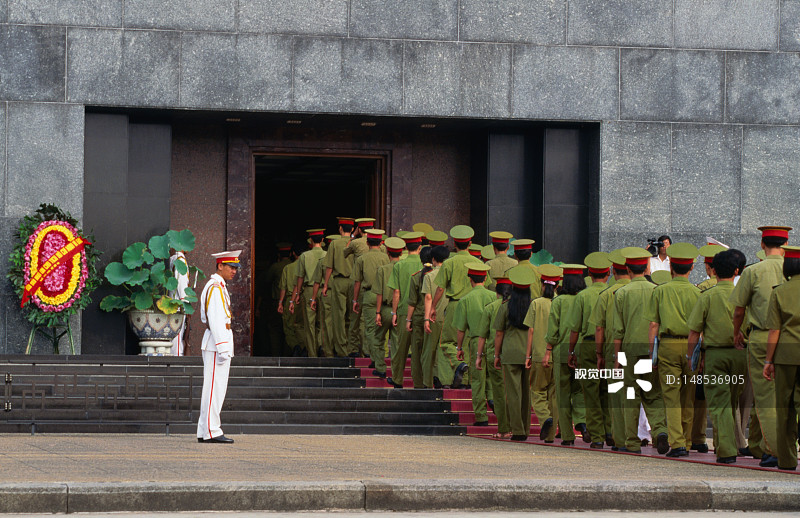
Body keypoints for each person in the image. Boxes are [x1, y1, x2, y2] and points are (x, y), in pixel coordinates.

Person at [730, 225, 791, 468]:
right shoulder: (793, 271)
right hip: (791, 339)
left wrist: (736, 333)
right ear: (786, 244)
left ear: (762, 244)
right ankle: (774, 446)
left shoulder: (754, 271)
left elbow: (738, 310)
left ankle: (775, 451)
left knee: (765, 398)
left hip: (762, 337)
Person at [687, 249, 745, 464]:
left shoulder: (707, 295)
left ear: (713, 270)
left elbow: (694, 332)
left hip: (715, 355)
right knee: (730, 402)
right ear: (737, 270)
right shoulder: (742, 295)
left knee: (719, 404)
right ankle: (724, 445)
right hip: (740, 354)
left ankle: (727, 451)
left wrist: (689, 357)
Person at [645, 242, 701, 458]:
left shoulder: (661, 291)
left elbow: (653, 325)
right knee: (688, 397)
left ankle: (676, 442)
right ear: (692, 268)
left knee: (671, 396)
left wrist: (652, 354)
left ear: (671, 268)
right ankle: (686, 442)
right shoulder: (697, 293)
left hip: (667, 347)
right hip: (691, 347)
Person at [612, 247, 669, 455]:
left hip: (629, 351)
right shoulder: (657, 290)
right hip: (651, 350)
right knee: (654, 394)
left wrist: (617, 358)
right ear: (646, 267)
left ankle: (632, 442)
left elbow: (618, 331)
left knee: (630, 396)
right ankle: (661, 431)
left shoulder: (621, 293)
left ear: (627, 268)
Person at [567, 252, 613, 448]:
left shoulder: (582, 296)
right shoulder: (614, 293)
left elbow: (575, 329)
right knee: (609, 390)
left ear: (590, 274)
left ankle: (597, 437)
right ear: (609, 273)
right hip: (610, 345)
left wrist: (571, 352)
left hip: (587, 346)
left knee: (591, 392)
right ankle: (611, 431)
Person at [431, 225, 484, 388]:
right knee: (468, 342)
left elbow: (440, 288)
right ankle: (466, 380)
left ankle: (455, 369)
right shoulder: (478, 263)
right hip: (475, 306)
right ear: (470, 244)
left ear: (454, 243)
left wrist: (433, 307)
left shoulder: (449, 263)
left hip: (455, 305)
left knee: (446, 342)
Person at [762, 244, 800, 471]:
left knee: (784, 408)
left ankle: (786, 460)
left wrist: (768, 361)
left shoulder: (779, 292)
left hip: (786, 355)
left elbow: (774, 330)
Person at [197, 250, 241, 443]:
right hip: (216, 344)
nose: (234, 271)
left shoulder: (219, 286)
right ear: (220, 266)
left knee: (215, 389)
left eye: (236, 268)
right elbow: (215, 320)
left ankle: (206, 429)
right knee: (214, 389)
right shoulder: (215, 287)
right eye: (231, 267)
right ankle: (211, 431)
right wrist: (223, 347)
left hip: (218, 342)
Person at [590, 249, 630, 449]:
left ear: (613, 272)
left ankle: (620, 439)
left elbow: (599, 327)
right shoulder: (650, 289)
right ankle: (643, 437)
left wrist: (599, 354)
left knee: (616, 395)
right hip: (642, 349)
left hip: (613, 349)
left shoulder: (607, 294)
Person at [544, 263, 587, 446]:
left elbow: (553, 330)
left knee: (562, 394)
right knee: (579, 391)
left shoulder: (559, 301)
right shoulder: (585, 298)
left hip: (562, 351)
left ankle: (568, 436)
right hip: (581, 351)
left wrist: (547, 351)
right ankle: (583, 423)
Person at [493, 265, 537, 441]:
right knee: (527, 393)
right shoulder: (534, 305)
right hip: (529, 351)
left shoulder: (506, 306)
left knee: (513, 393)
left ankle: (516, 430)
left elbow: (499, 333)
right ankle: (525, 429)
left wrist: (496, 355)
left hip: (510, 353)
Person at [454, 262, 495, 425]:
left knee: (477, 380)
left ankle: (481, 416)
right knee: (493, 376)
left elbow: (461, 329)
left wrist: (459, 348)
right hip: (492, 342)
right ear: (485, 279)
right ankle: (493, 400)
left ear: (470, 279)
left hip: (475, 340)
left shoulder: (465, 299)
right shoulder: (494, 297)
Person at [525, 264, 562, 443]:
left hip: (540, 354)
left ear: (542, 284)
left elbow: (531, 331)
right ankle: (550, 435)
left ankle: (544, 418)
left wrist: (528, 356)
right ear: (557, 286)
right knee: (554, 396)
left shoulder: (536, 304)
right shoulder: (560, 302)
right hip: (557, 356)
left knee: (538, 392)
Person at [476, 274, 512, 438]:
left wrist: (478, 356)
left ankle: (503, 428)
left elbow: (482, 335)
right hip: (514, 354)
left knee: (498, 393)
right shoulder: (516, 306)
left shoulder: (490, 307)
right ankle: (517, 428)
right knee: (515, 391)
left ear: (497, 292)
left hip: (494, 355)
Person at [387, 232, 424, 388]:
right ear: (420, 247)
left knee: (400, 348)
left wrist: (394, 312)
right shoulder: (424, 265)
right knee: (418, 351)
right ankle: (419, 383)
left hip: (403, 311)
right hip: (421, 312)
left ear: (405, 248)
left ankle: (397, 379)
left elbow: (396, 292)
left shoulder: (399, 265)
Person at [352, 229, 390, 377]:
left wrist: (355, 300)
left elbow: (357, 282)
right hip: (385, 295)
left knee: (370, 329)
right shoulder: (386, 258)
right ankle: (381, 357)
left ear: (367, 243)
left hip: (369, 294)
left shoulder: (361, 259)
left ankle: (375, 358)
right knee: (382, 329)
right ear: (381, 243)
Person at [322, 217, 356, 357]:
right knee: (351, 316)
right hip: (354, 283)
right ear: (352, 229)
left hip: (339, 282)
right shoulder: (356, 243)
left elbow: (329, 266)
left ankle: (341, 349)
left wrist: (325, 284)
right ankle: (351, 348)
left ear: (340, 229)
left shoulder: (334, 244)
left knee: (339, 317)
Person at [376, 236, 405, 387]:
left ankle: (380, 368)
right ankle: (395, 373)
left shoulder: (382, 269)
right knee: (396, 343)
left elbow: (379, 293)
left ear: (387, 252)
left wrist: (378, 312)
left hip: (386, 309)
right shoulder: (405, 267)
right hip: (401, 310)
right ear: (401, 253)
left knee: (378, 338)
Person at [292, 229, 327, 357]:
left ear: (311, 241)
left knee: (309, 324)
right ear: (322, 240)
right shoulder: (327, 254)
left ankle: (312, 353)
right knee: (322, 322)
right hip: (324, 290)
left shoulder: (305, 256)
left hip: (308, 290)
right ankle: (321, 347)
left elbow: (300, 277)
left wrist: (297, 294)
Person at [422, 243, 450, 388]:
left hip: (434, 317)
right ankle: (443, 380)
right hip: (448, 318)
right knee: (444, 350)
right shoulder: (451, 274)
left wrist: (427, 318)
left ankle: (427, 382)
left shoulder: (429, 276)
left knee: (429, 351)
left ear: (433, 259)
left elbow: (428, 298)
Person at [405, 246, 433, 389]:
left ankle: (418, 384)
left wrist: (408, 320)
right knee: (431, 351)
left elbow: (412, 302)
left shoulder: (416, 277)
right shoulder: (436, 276)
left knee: (416, 352)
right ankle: (430, 382)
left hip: (418, 317)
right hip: (433, 317)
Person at [169, 248, 191, 356]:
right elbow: (182, 286)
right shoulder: (180, 260)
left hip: (170, 303)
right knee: (177, 338)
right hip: (178, 304)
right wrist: (186, 305)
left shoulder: (172, 258)